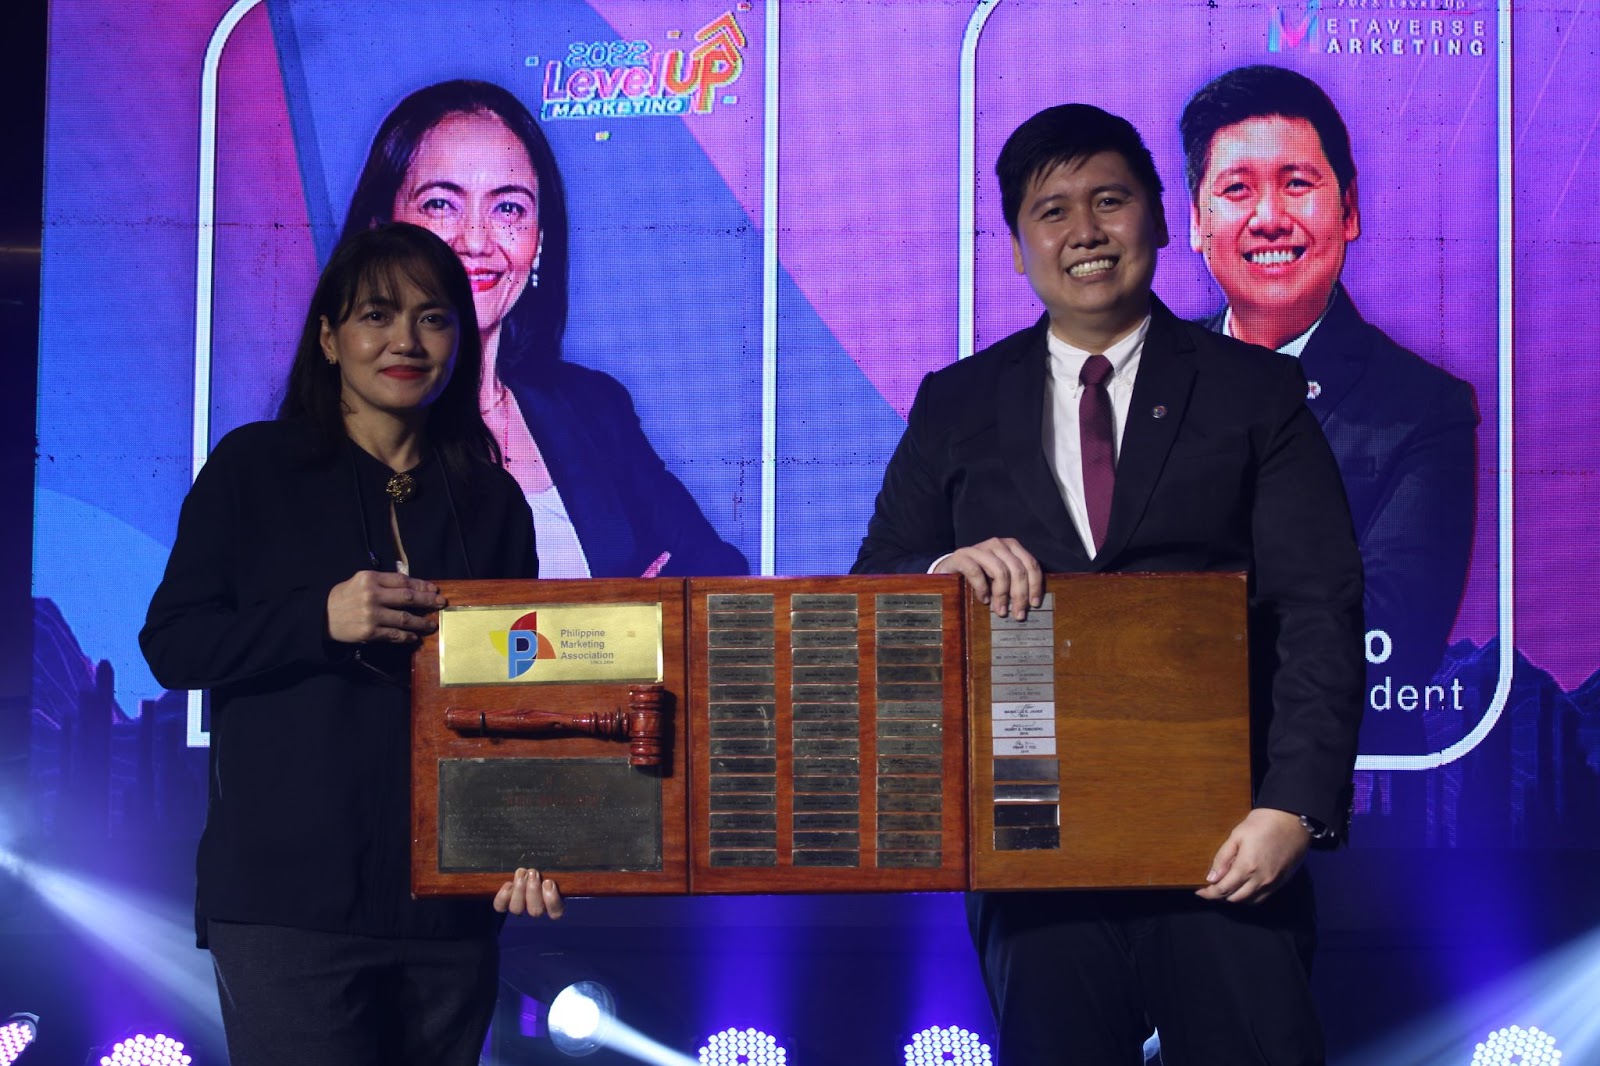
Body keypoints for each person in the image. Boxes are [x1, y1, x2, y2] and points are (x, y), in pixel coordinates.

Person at [852, 104, 1364, 1064]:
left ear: (1162, 219)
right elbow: (875, 586)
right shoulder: (956, 402)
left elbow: (1319, 612)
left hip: (1226, 833)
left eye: (1109, 201)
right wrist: (941, 574)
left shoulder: (1255, 392)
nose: (1084, 231)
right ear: (1018, 249)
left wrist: (1292, 809)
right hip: (1032, 837)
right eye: (1051, 211)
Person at [141, 223, 562, 1066]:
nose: (406, 340)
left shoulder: (493, 503)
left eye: (433, 318)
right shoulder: (253, 469)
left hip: (449, 908)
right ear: (330, 338)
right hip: (288, 903)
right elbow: (174, 645)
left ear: (461, 342)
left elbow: (518, 701)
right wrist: (320, 619)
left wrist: (536, 844)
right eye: (377, 315)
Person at [343, 79, 747, 579]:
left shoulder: (592, 408)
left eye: (508, 208)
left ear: (538, 242)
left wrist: (646, 608)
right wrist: (617, 608)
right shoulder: (338, 431)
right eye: (441, 204)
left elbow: (715, 568)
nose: (476, 241)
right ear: (380, 228)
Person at [1180, 64, 1478, 710]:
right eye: (1237, 189)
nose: (1269, 218)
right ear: (1197, 222)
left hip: (1347, 766)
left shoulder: (1427, 411)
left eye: (1296, 183)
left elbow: (1390, 638)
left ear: (1348, 210)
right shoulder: (1139, 378)